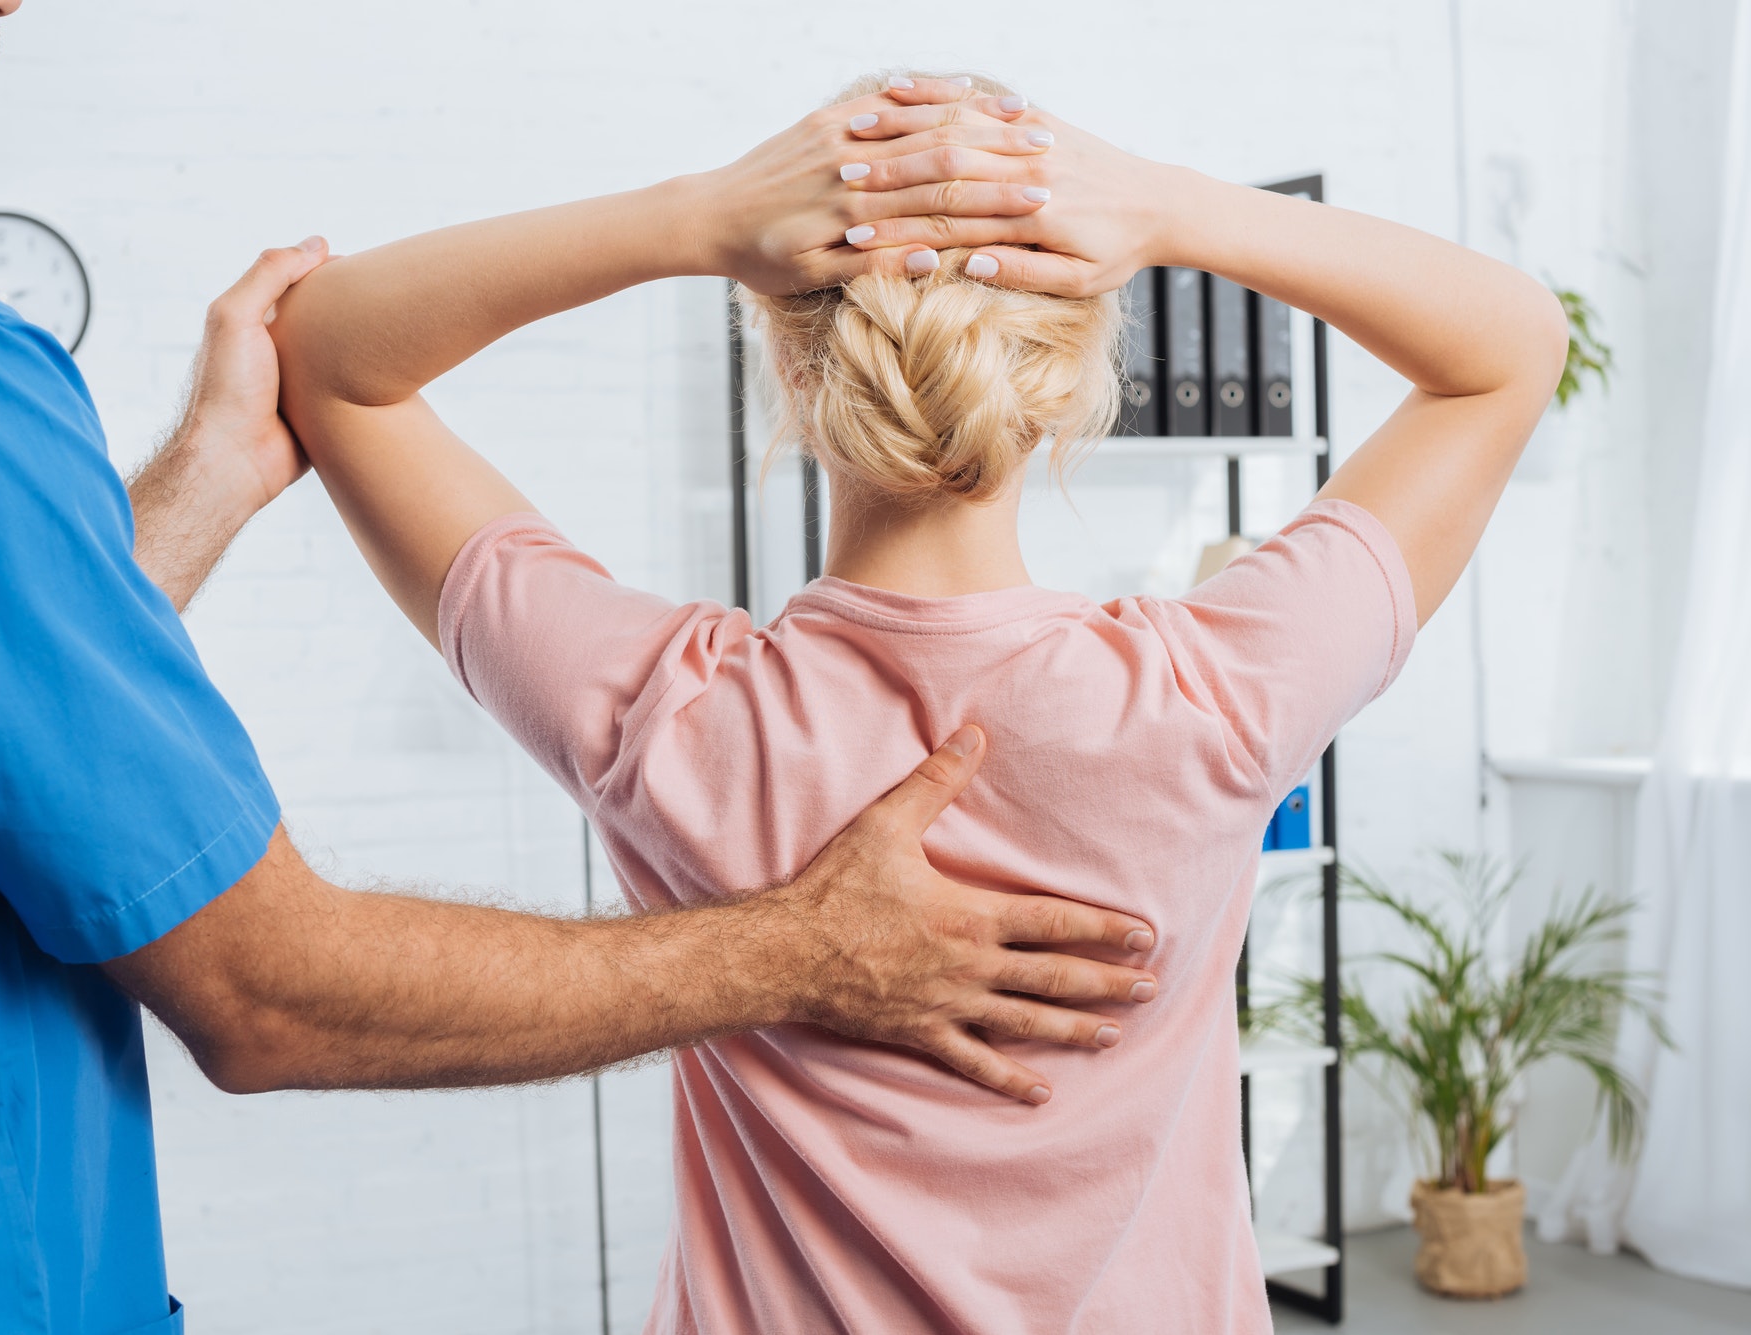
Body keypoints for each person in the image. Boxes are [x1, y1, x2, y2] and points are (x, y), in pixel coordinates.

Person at [0, 6, 1163, 1330]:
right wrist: (803, 947)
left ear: (788, 370)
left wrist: (213, 475)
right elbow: (263, 988)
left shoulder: (663, 701)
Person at [270, 71, 1568, 1334]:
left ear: (786, 371)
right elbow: (1510, 351)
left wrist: (695, 217)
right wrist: (1170, 208)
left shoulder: (663, 719)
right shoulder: (1211, 699)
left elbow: (331, 358)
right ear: (1068, 385)